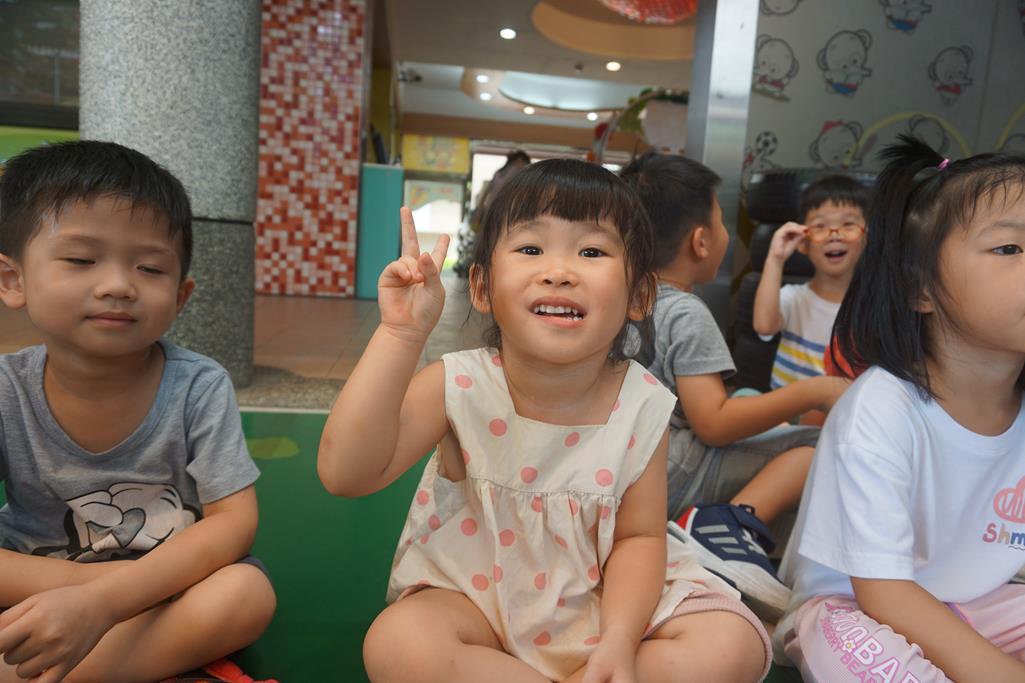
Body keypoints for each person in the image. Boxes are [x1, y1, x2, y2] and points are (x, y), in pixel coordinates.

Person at [318, 159, 771, 683]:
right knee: (398, 643)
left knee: (731, 644)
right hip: (476, 600)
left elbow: (639, 540)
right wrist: (400, 334)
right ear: (482, 287)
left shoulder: (642, 403)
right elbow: (345, 474)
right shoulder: (457, 384)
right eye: (531, 249)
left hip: (604, 598)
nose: (559, 271)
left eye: (592, 251)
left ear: (639, 296)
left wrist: (620, 640)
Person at [0, 141, 275, 683]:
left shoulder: (199, 386)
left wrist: (106, 604)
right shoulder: (7, 389)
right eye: (81, 260)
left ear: (181, 296)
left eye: (149, 268)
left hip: (166, 582)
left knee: (246, 593)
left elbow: (234, 523)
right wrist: (96, 596)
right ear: (13, 280)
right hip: (49, 585)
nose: (118, 286)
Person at [774, 137, 1025, 682]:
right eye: (1010, 248)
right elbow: (884, 593)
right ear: (920, 288)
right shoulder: (882, 408)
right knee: (858, 658)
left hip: (980, 602)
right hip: (856, 607)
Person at [620, 153, 846, 617]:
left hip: (625, 468)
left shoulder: (623, 297)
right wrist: (816, 390)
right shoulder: (686, 312)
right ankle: (724, 527)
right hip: (667, 476)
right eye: (722, 221)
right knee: (817, 448)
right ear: (701, 241)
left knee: (747, 398)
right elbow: (714, 424)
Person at [752, 174, 869, 423]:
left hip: (835, 422)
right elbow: (764, 326)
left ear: (866, 237)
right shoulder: (793, 297)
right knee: (745, 396)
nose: (834, 234)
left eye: (848, 225)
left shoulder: (871, 310)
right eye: (820, 226)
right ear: (803, 242)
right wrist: (775, 259)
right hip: (783, 417)